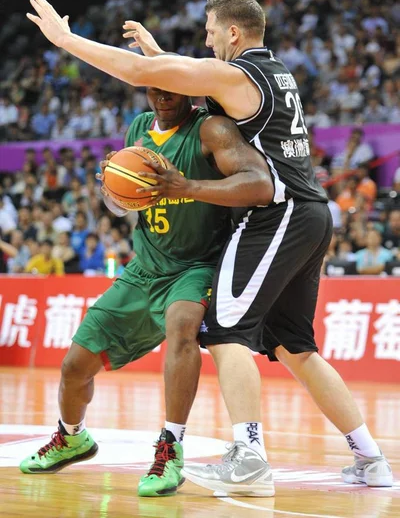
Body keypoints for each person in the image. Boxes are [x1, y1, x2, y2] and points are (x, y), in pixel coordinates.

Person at [27, 0, 393, 494]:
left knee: (223, 330)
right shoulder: (272, 72)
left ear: (233, 33)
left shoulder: (236, 75)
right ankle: (371, 458)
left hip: (277, 214)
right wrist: (162, 59)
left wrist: (66, 40)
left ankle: (249, 456)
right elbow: (170, 78)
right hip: (310, 214)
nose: (207, 40)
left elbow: (142, 75)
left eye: (210, 31)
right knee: (294, 346)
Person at [19, 85, 274, 499]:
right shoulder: (138, 128)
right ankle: (71, 437)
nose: (161, 96)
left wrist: (186, 185)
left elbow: (259, 183)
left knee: (183, 325)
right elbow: (122, 207)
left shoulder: (210, 129)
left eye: (170, 88)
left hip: (195, 266)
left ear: (187, 87)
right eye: (153, 88)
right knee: (73, 367)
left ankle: (170, 448)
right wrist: (113, 187)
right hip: (143, 269)